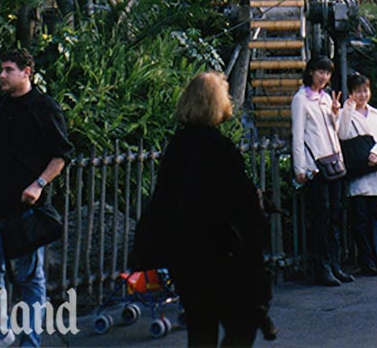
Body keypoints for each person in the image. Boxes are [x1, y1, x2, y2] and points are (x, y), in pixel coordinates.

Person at [132, 72, 267, 348]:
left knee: (200, 327)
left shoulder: (178, 146)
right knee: (240, 325)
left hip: (184, 252)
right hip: (219, 251)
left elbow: (166, 197)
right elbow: (241, 202)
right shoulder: (220, 148)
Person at [0, 48, 72, 348]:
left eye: (8, 70)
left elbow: (61, 156)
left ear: (26, 71)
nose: (1, 75)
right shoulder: (0, 107)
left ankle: (31, 341)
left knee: (30, 277)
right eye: (1, 69)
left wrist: (39, 184)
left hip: (27, 208)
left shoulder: (45, 108)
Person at [291, 56, 352, 287]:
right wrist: (300, 167)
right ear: (310, 72)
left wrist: (335, 113)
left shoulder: (326, 98)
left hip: (334, 163)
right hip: (316, 166)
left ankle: (335, 264)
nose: (324, 77)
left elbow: (333, 130)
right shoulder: (301, 100)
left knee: (336, 215)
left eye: (327, 73)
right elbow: (298, 135)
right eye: (320, 72)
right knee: (321, 217)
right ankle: (322, 267)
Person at [339, 72, 377, 276]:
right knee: (360, 220)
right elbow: (342, 134)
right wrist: (346, 110)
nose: (363, 95)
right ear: (351, 93)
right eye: (358, 91)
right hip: (359, 171)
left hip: (376, 171)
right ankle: (366, 259)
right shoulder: (347, 112)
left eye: (365, 90)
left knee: (376, 218)